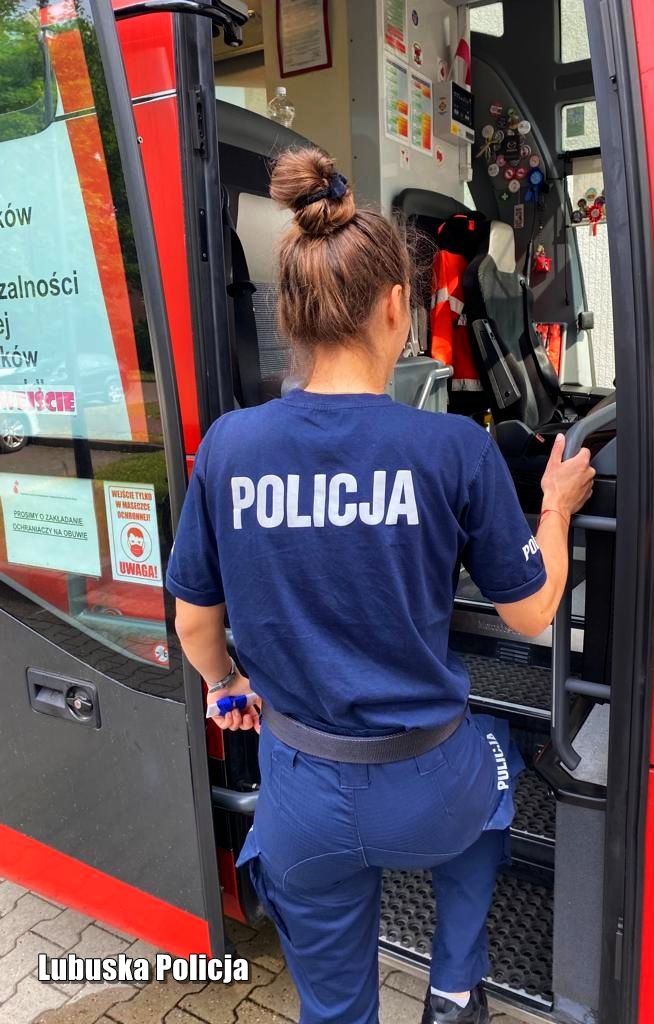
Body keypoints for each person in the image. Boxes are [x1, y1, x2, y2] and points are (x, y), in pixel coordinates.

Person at [166, 148, 595, 1024]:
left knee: (334, 1011)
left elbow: (195, 624)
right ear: (397, 306)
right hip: (430, 786)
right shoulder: (454, 448)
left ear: (290, 314)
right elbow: (533, 611)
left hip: (300, 798)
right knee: (499, 767)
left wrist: (227, 686)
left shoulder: (230, 446)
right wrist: (555, 508)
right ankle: (454, 987)